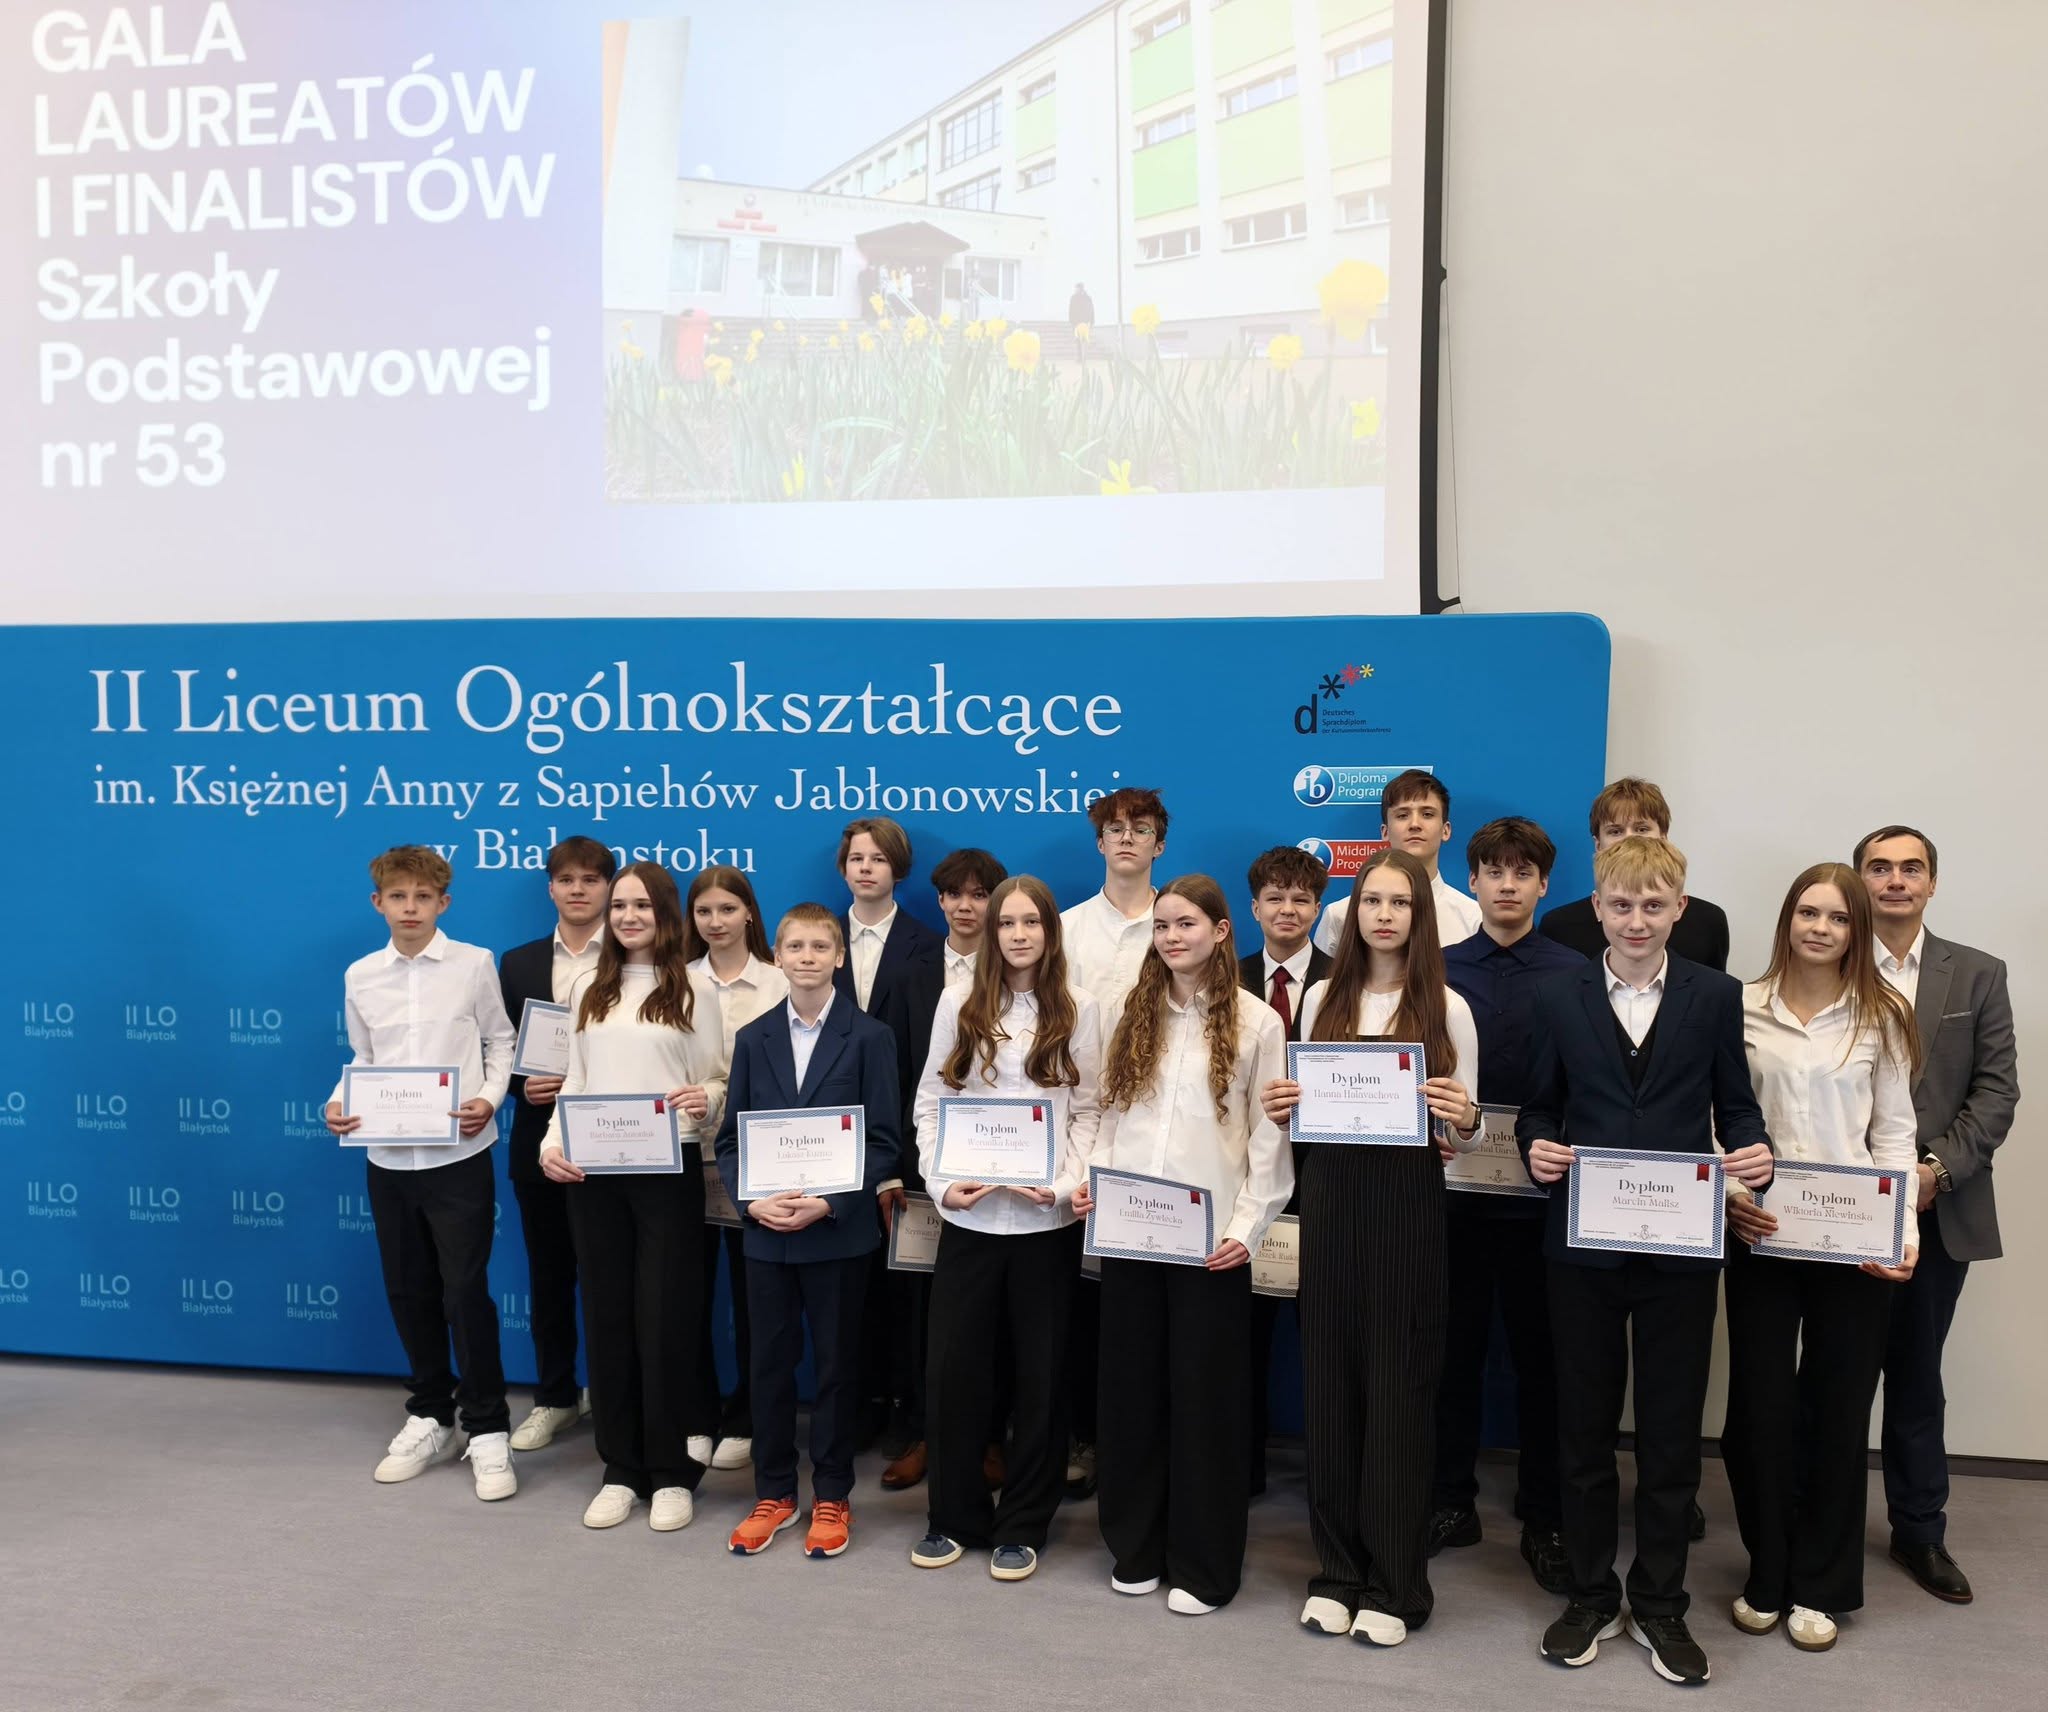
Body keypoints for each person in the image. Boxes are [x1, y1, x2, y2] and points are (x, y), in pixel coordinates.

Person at [1517, 836, 1774, 1686]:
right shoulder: (1558, 993)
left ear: (1679, 910)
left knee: (1669, 1437)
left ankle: (1661, 1602)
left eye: (1653, 906)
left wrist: (1756, 1154)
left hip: (1681, 1248)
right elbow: (1540, 1109)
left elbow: (1737, 1108)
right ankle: (1591, 1594)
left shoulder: (1715, 995)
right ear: (1597, 908)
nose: (1636, 921)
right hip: (1583, 1246)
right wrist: (1536, 1148)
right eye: (1621, 905)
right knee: (1584, 1431)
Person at [1261, 848, 1482, 1646]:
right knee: (1331, 1391)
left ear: (1422, 916)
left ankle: (1395, 1585)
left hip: (1407, 1208)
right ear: (1352, 915)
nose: (1384, 915)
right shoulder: (1321, 996)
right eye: (1371, 901)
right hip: (1330, 1201)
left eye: (1400, 902)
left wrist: (1464, 1113)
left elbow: (1467, 1131)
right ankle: (1337, 1573)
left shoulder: (1448, 1006)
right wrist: (1281, 1103)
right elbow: (1297, 1112)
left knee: (1398, 1396)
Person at [1070, 875, 1291, 1616]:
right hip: (1132, 1235)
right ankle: (1136, 1547)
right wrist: (1095, 1181)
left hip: (1210, 1246)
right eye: (1162, 926)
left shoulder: (1259, 1023)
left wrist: (1244, 1230)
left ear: (1222, 931)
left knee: (1205, 1405)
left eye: (1186, 924)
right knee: (1131, 1395)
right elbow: (1107, 1116)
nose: (1171, 937)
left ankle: (1203, 1565)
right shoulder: (1126, 1013)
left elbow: (1268, 1141)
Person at [1721, 862, 1920, 1653]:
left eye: (1838, 918)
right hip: (1762, 1231)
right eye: (1809, 913)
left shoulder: (1884, 1015)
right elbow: (1718, 1116)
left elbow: (1895, 1134)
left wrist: (1901, 1233)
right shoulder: (1739, 1006)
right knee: (1758, 1412)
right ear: (1787, 919)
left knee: (1838, 1411)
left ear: (1855, 930)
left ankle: (1821, 1584)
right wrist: (1728, 1193)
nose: (1821, 928)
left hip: (1854, 1243)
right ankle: (1767, 1570)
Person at [909, 876, 1102, 1582]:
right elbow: (931, 1101)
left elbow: (1091, 1109)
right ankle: (953, 1516)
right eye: (1006, 923)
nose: (1019, 935)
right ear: (990, 934)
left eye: (1032, 922)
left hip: (1045, 1224)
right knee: (955, 1373)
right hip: (972, 1217)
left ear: (1051, 931)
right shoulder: (958, 1001)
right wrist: (940, 1183)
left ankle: (1023, 1523)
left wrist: (1063, 1186)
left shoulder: (1080, 1007)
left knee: (1041, 1379)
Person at [538, 864, 728, 1532]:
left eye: (641, 905)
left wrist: (708, 1100)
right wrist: (550, 1144)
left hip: (667, 1170)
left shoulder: (696, 989)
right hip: (593, 1175)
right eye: (618, 905)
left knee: (665, 1319)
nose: (627, 916)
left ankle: (672, 1472)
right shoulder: (587, 987)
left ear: (665, 913)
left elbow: (717, 1077)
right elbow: (575, 1080)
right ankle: (620, 1468)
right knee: (609, 1318)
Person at [1857, 825, 2020, 1605]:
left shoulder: (1979, 974)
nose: (1895, 880)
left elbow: (1997, 1091)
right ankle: (1814, 1516)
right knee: (1834, 1372)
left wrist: (1933, 1173)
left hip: (1938, 1207)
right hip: (1842, 1205)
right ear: (1859, 880)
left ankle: (1920, 1531)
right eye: (1880, 867)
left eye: (1910, 868)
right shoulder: (1827, 958)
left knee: (1917, 1375)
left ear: (1931, 882)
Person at [324, 845, 517, 1500]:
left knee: (464, 1291)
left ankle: (487, 1426)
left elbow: (500, 1039)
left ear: (443, 903)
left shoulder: (473, 964)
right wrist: (339, 1101)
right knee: (408, 1289)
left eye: (423, 897)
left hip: (458, 1154)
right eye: (399, 897)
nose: (411, 908)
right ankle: (432, 1414)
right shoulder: (361, 975)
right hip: (387, 1158)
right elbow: (364, 1057)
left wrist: (488, 1097)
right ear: (378, 903)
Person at [715, 904, 903, 1559]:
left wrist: (830, 1202)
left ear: (839, 957)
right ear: (778, 955)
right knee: (767, 1368)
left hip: (837, 1234)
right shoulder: (753, 1038)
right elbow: (730, 1142)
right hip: (767, 1234)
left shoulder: (870, 1037)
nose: (807, 957)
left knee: (836, 1368)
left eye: (821, 946)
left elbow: (884, 1142)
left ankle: (831, 1493)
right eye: (795, 946)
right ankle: (773, 1492)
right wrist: (752, 1202)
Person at [1433, 818, 1584, 1593]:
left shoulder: (1575, 972)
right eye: (1494, 871)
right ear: (1474, 880)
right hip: (1452, 1194)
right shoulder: (1438, 967)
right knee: (1449, 1354)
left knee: (1544, 1362)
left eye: (1523, 873)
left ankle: (1545, 1513)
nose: (1508, 884)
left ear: (1543, 885)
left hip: (1542, 1200)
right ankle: (1448, 1500)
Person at [1060, 786, 1171, 1497]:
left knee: (1146, 1300)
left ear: (1160, 843)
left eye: (1142, 828)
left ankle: (1143, 1444)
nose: (1127, 838)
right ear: (1100, 842)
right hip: (1077, 1128)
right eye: (1116, 828)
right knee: (1080, 1300)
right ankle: (1082, 1437)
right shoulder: (1066, 928)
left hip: (1159, 1131)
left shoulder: (1180, 921)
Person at [833, 816, 944, 1490]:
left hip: (900, 1135)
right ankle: (863, 1402)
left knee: (905, 1284)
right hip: (827, 1141)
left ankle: (906, 1404)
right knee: (846, 1283)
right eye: (856, 858)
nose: (867, 868)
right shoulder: (817, 939)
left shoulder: (927, 946)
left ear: (898, 869)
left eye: (879, 858)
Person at [498, 835, 614, 1455]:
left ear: (608, 888)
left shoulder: (636, 954)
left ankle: (615, 1395)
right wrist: (521, 1086)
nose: (577, 889)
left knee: (612, 1279)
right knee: (548, 1276)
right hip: (537, 1143)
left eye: (590, 879)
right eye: (566, 879)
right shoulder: (516, 963)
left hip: (614, 1142)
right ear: (550, 888)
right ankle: (555, 1396)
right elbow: (497, 1050)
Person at [684, 865, 790, 1473]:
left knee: (756, 1299)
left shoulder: (779, 981)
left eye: (727, 909)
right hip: (686, 1156)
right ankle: (698, 1415)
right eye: (704, 911)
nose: (716, 921)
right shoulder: (677, 980)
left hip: (760, 1161)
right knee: (688, 1293)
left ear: (749, 911)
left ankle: (749, 1416)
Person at [1236, 844, 1332, 1494]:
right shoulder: (1225, 978)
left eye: (1301, 898)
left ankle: (1330, 1477)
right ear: (1254, 908)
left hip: (1325, 1183)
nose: (1288, 909)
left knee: (1324, 1339)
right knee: (1241, 1338)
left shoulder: (1345, 978)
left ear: (1318, 908)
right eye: (1275, 898)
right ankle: (1239, 1469)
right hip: (1245, 1183)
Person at [1540, 779, 1731, 971]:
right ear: (1598, 845)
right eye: (1616, 831)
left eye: (1642, 829)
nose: (1630, 840)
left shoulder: (1708, 922)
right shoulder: (1559, 926)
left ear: (1663, 838)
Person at [1312, 770, 1482, 956]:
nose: (1415, 824)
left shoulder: (1473, 918)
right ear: (1385, 832)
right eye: (1402, 815)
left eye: (1427, 814)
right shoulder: (1340, 916)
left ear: (1445, 830)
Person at [932, 847, 1008, 991]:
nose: (964, 907)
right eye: (954, 894)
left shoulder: (1011, 970)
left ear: (995, 902)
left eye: (978, 895)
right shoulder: (912, 967)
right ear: (941, 899)